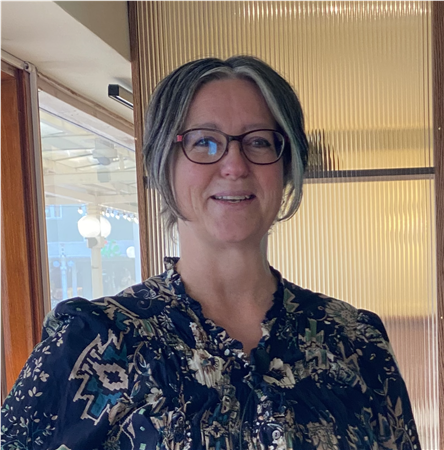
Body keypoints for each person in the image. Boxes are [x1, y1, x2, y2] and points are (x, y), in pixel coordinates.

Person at [0, 56, 420, 450]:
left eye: (259, 142)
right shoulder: (95, 341)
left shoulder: (355, 341)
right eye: (204, 142)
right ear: (162, 163)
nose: (234, 165)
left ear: (287, 166)